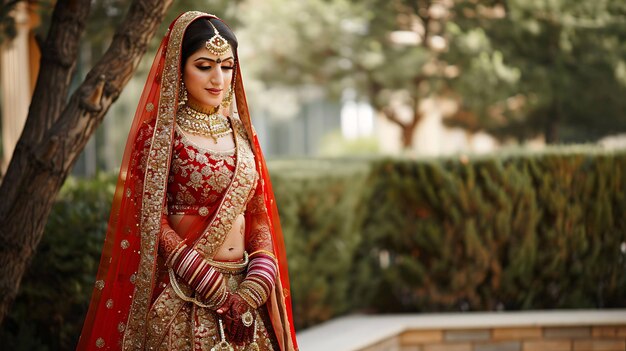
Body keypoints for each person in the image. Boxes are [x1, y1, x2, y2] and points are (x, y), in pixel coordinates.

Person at [76, 11, 298, 351]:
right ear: (179, 68)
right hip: (185, 295)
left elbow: (257, 214)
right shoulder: (161, 136)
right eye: (204, 65)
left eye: (226, 66)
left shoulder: (243, 135)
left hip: (245, 300)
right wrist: (208, 284)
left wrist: (255, 285)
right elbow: (151, 219)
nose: (218, 79)